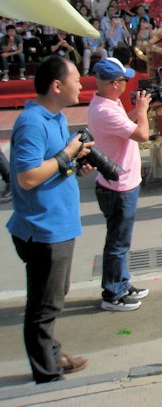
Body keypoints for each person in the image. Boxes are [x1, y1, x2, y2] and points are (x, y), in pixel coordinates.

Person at [6, 56, 93, 383]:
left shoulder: (54, 118)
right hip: (43, 229)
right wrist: (67, 155)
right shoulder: (32, 122)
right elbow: (28, 176)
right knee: (44, 306)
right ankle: (47, 374)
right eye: (76, 79)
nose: (81, 85)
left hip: (59, 225)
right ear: (57, 86)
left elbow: (53, 168)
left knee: (53, 297)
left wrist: (74, 165)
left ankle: (52, 355)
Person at [88, 58, 152, 312]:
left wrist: (138, 111)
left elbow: (124, 124)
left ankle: (122, 283)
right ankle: (112, 293)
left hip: (121, 182)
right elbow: (142, 135)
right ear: (115, 83)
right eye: (124, 80)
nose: (127, 83)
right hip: (118, 187)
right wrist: (143, 112)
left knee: (121, 241)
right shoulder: (104, 110)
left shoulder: (107, 103)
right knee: (117, 243)